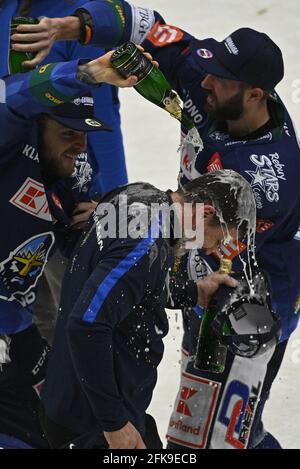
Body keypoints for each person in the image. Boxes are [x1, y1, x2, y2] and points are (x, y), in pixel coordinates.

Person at [14, 0, 300, 449]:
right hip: (201, 271)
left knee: (224, 437)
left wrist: (133, 216)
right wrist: (69, 27)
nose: (204, 80)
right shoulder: (209, 81)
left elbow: (219, 238)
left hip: (253, 296)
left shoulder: (267, 178)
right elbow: (147, 28)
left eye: (220, 78)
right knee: (193, 424)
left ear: (254, 94)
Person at [40, 169, 256, 449]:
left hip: (78, 400)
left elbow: (133, 286)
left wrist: (195, 292)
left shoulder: (137, 196)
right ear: (205, 213)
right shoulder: (145, 245)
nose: (211, 249)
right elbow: (86, 326)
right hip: (94, 425)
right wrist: (114, 424)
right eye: (218, 240)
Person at [0, 49, 139, 448]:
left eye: (84, 133)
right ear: (37, 125)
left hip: (17, 329)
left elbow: (87, 241)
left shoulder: (73, 172)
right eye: (67, 133)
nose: (79, 145)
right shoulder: (8, 144)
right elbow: (11, 96)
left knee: (49, 429)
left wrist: (100, 221)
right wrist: (86, 72)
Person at [0, 0, 129, 345]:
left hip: (58, 195)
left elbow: (99, 118)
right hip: (12, 176)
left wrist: (111, 198)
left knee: (63, 320)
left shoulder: (74, 13)